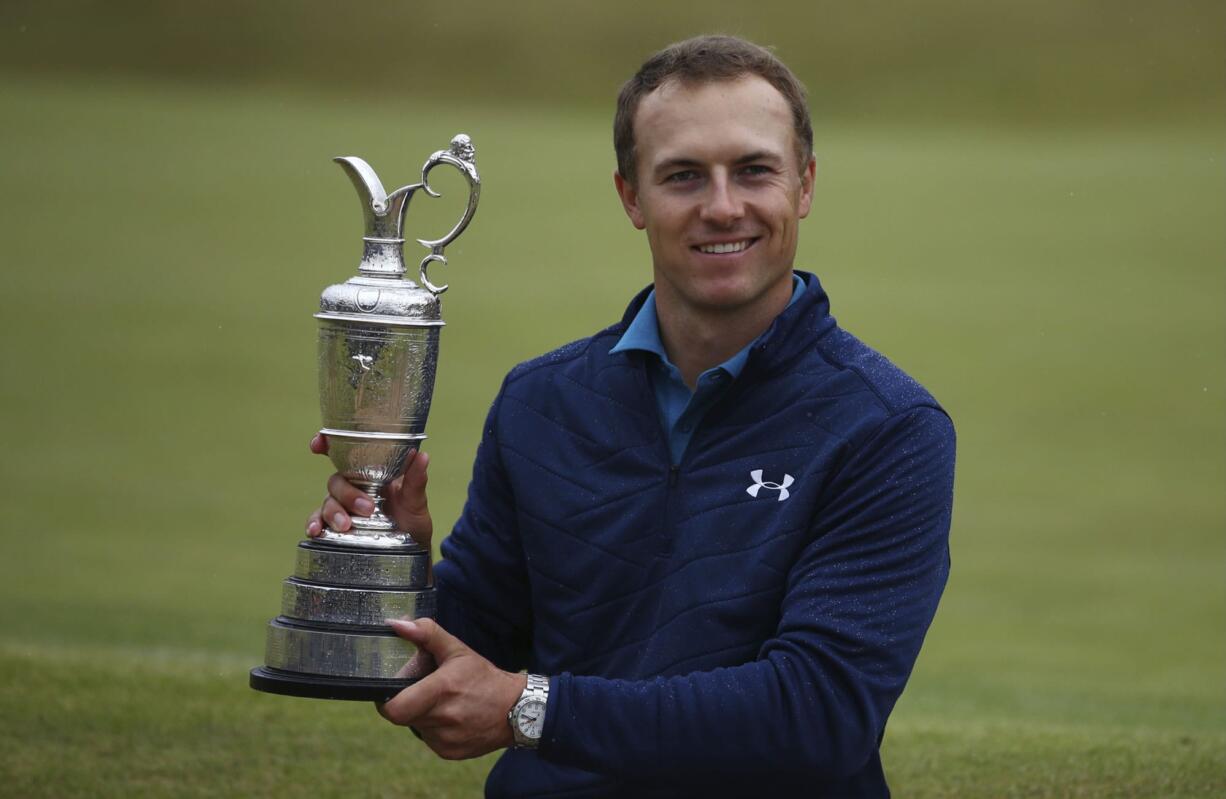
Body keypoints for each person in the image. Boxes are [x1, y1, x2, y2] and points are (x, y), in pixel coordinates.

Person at [307, 34, 955, 798]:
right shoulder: (541, 401)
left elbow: (817, 715)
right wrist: (393, 564)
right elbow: (456, 676)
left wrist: (531, 709)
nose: (722, 206)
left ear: (804, 185)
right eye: (683, 176)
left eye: (754, 170)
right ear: (631, 198)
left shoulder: (887, 425)